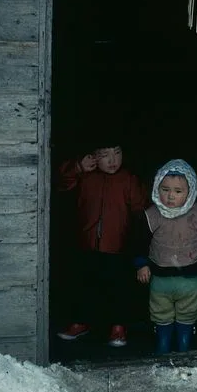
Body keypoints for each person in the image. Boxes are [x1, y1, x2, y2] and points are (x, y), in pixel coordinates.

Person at [134, 158, 197, 354]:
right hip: (160, 276)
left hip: (191, 276)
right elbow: (138, 242)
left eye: (178, 192)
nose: (170, 196)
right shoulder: (151, 215)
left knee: (188, 311)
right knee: (161, 311)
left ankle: (184, 343)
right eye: (165, 190)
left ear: (190, 192)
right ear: (156, 188)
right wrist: (142, 264)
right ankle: (163, 343)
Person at [56, 140, 147, 348]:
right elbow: (61, 181)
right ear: (93, 156)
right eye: (105, 154)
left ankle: (118, 327)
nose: (113, 160)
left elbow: (141, 208)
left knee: (118, 287)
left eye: (117, 152)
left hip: (118, 245)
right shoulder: (86, 176)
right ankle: (81, 322)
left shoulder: (129, 179)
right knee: (84, 285)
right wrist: (78, 166)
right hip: (87, 243)